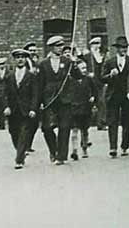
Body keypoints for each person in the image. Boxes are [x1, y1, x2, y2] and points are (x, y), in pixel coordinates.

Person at [36, 36, 82, 165]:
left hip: (64, 98)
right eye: (58, 46)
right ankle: (53, 150)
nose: (61, 48)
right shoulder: (43, 63)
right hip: (49, 99)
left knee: (64, 127)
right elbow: (40, 84)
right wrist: (39, 102)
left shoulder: (67, 62)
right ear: (51, 47)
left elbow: (78, 76)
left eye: (62, 45)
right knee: (46, 127)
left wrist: (74, 64)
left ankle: (61, 156)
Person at [3, 49, 39, 169]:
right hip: (13, 111)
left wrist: (33, 108)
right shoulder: (9, 76)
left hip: (26, 111)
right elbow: (5, 93)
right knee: (14, 133)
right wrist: (6, 107)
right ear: (14, 60)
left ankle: (19, 159)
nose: (20, 59)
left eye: (22, 57)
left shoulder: (31, 76)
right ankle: (21, 152)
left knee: (24, 133)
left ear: (26, 59)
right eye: (17, 57)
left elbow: (35, 94)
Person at [102, 36, 129, 157]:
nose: (124, 49)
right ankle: (113, 147)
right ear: (117, 49)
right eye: (121, 47)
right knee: (112, 122)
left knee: (127, 121)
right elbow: (101, 78)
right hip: (113, 96)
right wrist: (110, 75)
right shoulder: (110, 62)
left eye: (125, 47)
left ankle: (125, 146)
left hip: (127, 96)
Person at [69, 59, 96, 160]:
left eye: (85, 68)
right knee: (74, 130)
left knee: (84, 130)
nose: (85, 70)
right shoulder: (71, 80)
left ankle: (84, 148)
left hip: (85, 107)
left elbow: (94, 90)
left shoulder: (88, 79)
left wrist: (93, 97)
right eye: (82, 68)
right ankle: (74, 150)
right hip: (74, 108)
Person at [82, 37, 107, 131]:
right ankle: (85, 124)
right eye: (95, 44)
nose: (98, 46)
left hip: (100, 82)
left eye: (99, 44)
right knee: (89, 102)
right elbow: (81, 66)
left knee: (102, 102)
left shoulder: (101, 55)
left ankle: (101, 123)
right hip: (90, 82)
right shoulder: (87, 55)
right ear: (91, 45)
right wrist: (88, 74)